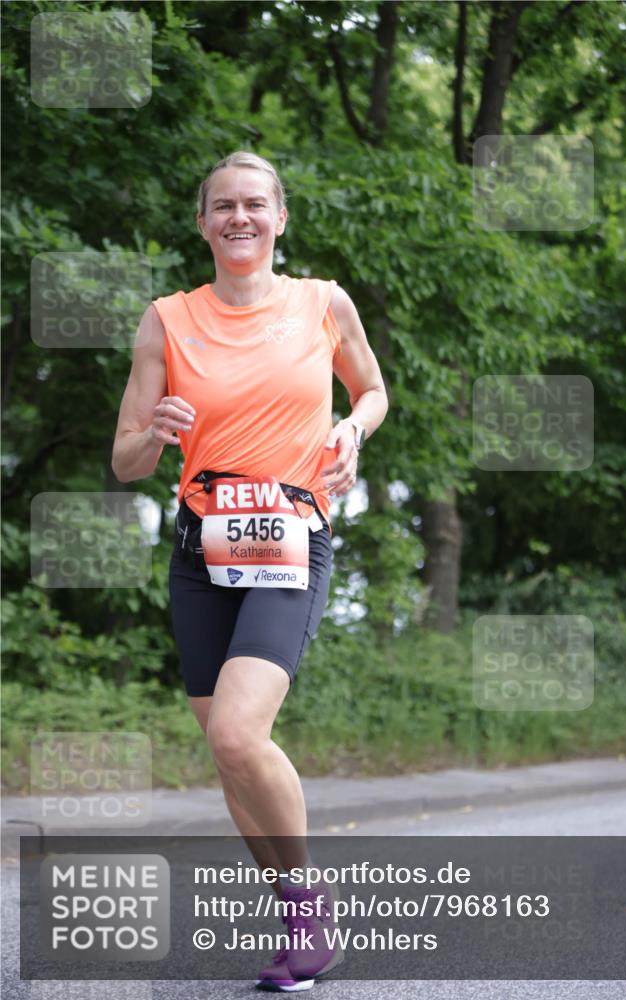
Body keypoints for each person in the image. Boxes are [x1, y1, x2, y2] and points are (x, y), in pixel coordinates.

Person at [112, 150, 388, 991]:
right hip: (202, 552)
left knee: (238, 732)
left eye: (255, 204)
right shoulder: (167, 320)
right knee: (228, 751)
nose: (239, 217)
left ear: (279, 218)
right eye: (223, 205)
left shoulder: (322, 303)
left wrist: (350, 434)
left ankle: (310, 909)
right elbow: (125, 461)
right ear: (202, 223)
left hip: (290, 542)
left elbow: (372, 391)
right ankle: (297, 923)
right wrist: (155, 431)